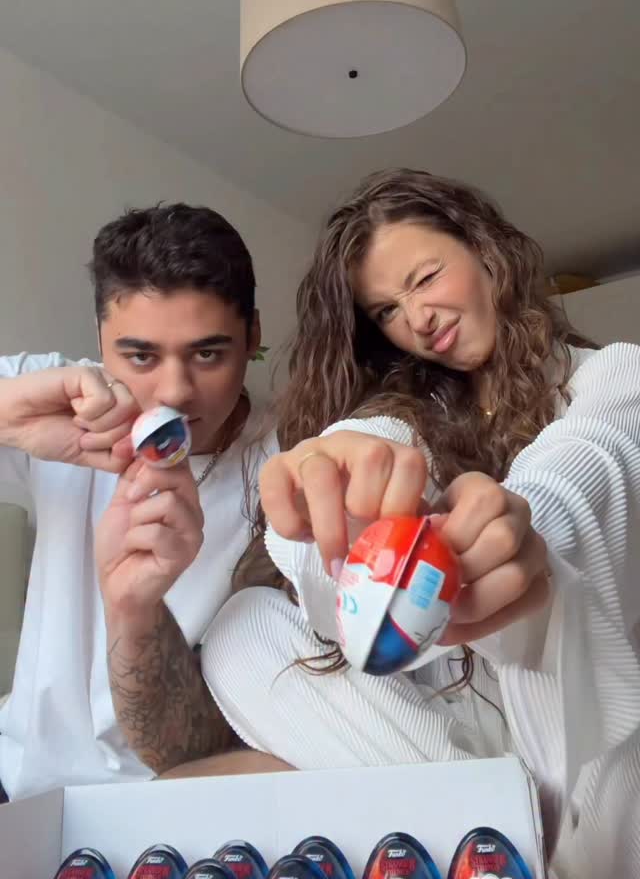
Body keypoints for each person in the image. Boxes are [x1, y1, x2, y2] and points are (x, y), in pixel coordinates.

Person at [196, 169, 640, 879]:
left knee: (563, 632)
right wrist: (340, 480)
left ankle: (518, 840)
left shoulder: (612, 377)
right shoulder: (416, 412)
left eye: (426, 278)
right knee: (242, 630)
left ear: (487, 251)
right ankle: (496, 842)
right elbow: (386, 442)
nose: (418, 318)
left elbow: (590, 461)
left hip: (590, 718)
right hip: (468, 732)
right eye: (387, 311)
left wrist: (526, 530)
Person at [0, 202, 284, 800]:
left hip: (167, 799)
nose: (174, 392)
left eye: (208, 354)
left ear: (253, 336)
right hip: (16, 778)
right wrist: (8, 419)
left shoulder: (286, 466)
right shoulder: (60, 395)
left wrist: (139, 606)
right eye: (140, 356)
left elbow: (215, 743)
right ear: (99, 338)